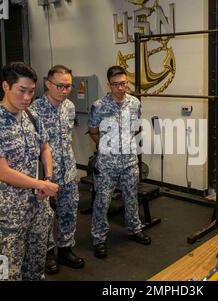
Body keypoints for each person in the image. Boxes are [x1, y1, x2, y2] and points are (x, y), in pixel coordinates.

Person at [0, 62, 59, 280]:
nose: (27, 97)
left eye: (31, 91)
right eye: (22, 91)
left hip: (37, 206)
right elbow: (2, 172)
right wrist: (40, 184)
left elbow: (45, 147)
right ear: (5, 86)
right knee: (5, 269)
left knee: (36, 264)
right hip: (8, 212)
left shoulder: (31, 117)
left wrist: (47, 177)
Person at [88, 65, 151, 259]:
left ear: (127, 83)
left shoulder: (134, 103)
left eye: (123, 83)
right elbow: (93, 131)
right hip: (107, 164)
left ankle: (134, 229)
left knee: (132, 198)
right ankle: (99, 239)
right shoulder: (99, 106)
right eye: (116, 84)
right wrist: (106, 147)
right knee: (102, 201)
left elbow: (136, 128)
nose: (120, 88)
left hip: (130, 162)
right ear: (109, 85)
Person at [30, 65, 84, 275]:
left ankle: (65, 249)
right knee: (44, 216)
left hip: (68, 171)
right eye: (60, 86)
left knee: (68, 211)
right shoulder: (34, 111)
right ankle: (48, 253)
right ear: (47, 83)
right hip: (45, 174)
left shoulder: (69, 107)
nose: (64, 90)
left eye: (68, 86)